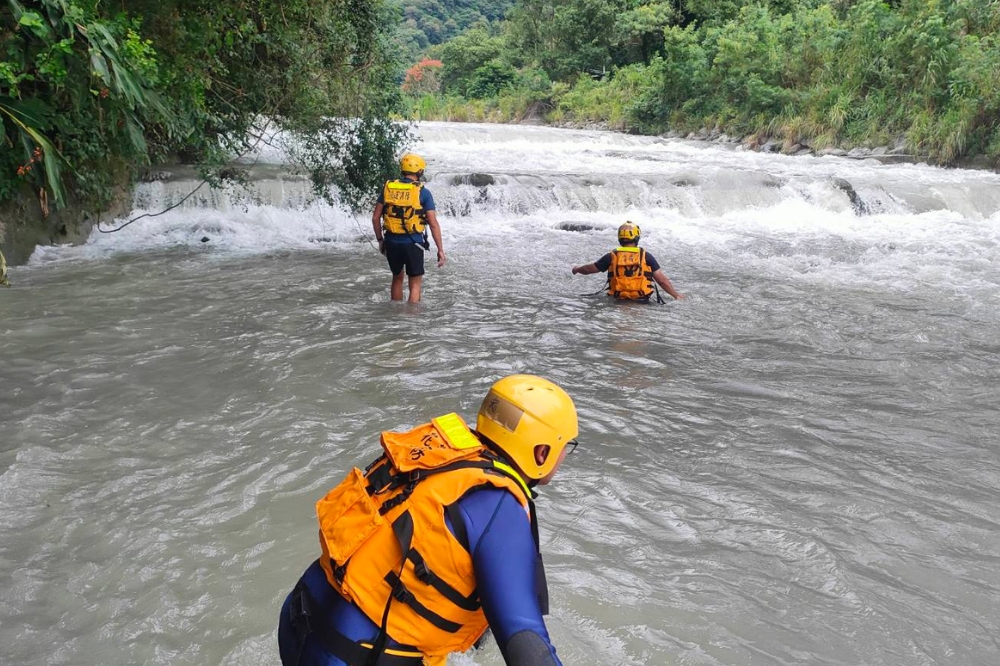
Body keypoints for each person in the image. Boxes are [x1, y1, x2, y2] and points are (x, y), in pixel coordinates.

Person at [277, 374, 579, 666]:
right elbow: (527, 647)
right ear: (542, 453)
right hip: (352, 655)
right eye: (567, 446)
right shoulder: (501, 510)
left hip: (299, 620)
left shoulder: (440, 461)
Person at [371, 153, 446, 303]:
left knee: (397, 278)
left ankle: (396, 317)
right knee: (415, 283)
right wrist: (440, 249)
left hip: (391, 241)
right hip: (414, 242)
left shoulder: (389, 188)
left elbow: (375, 218)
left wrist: (380, 240)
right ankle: (411, 322)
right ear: (419, 171)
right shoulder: (423, 192)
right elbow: (433, 223)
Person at [571, 222, 684, 302]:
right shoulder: (646, 256)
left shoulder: (611, 256)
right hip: (642, 300)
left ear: (619, 238)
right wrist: (676, 295)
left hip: (617, 299)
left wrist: (577, 268)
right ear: (637, 237)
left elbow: (589, 269)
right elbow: (661, 280)